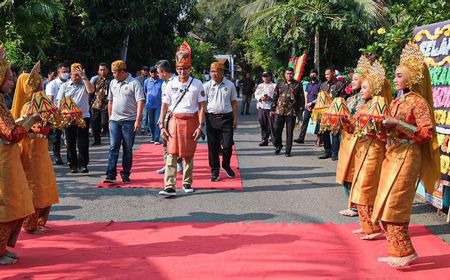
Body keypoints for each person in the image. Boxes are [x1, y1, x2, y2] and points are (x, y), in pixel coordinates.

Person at [372, 42, 440, 267]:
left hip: (409, 156)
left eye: (399, 75)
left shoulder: (418, 102)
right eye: (395, 75)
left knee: (396, 203)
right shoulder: (397, 100)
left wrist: (397, 123)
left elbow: (427, 133)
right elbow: (392, 127)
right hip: (393, 154)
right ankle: (398, 251)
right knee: (384, 203)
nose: (395, 79)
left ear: (411, 79)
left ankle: (404, 253)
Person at [342, 60, 392, 240]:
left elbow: (382, 130)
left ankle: (373, 227)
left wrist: (372, 125)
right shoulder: (364, 106)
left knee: (366, 188)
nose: (361, 90)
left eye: (365, 87)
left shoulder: (380, 104)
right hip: (362, 149)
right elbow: (354, 128)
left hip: (374, 150)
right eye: (361, 87)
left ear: (374, 89)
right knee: (358, 188)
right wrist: (345, 120)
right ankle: (366, 226)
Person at [0, 46, 39, 265]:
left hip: (8, 159)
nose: (12, 83)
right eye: (8, 79)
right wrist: (33, 119)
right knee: (6, 205)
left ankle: (2, 248)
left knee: (15, 203)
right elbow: (11, 134)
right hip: (3, 162)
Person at [11, 62, 60, 235]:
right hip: (31, 151)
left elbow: (47, 126)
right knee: (35, 186)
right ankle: (30, 224)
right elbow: (27, 127)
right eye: (37, 83)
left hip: (40, 149)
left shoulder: (41, 103)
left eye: (41, 83)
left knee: (45, 183)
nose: (41, 85)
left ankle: (39, 220)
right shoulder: (27, 107)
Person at [158, 41, 206, 197]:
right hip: (174, 120)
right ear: (176, 69)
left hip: (191, 120)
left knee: (188, 154)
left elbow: (201, 106)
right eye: (179, 69)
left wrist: (200, 126)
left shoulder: (197, 84)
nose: (182, 71)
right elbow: (165, 105)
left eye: (185, 69)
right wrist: (161, 124)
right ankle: (169, 185)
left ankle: (187, 182)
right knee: (171, 152)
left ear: (190, 69)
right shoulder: (169, 83)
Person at [336, 57, 369, 218]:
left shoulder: (369, 102)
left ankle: (357, 207)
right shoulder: (351, 98)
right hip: (347, 140)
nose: (353, 82)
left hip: (360, 143)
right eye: (353, 79)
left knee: (356, 175)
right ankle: (353, 204)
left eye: (357, 79)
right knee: (345, 175)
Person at [103, 60, 145, 184]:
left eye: (115, 72)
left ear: (122, 72)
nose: (113, 75)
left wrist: (138, 120)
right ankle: (110, 173)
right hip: (115, 121)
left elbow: (140, 101)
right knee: (113, 147)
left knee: (127, 148)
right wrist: (110, 118)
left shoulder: (134, 83)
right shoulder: (113, 83)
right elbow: (110, 101)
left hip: (129, 121)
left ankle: (125, 173)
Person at [56, 63, 94, 173]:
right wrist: (61, 116)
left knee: (82, 142)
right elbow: (60, 101)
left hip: (83, 116)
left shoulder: (85, 83)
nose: (77, 77)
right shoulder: (65, 86)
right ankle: (73, 164)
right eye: (74, 75)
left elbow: (91, 91)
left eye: (78, 75)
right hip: (69, 117)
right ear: (70, 75)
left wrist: (84, 77)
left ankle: (83, 164)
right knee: (70, 141)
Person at [203, 62, 238, 181]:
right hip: (211, 118)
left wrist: (235, 119)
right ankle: (215, 170)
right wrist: (201, 120)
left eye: (216, 71)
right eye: (212, 71)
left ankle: (226, 165)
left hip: (227, 118)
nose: (213, 73)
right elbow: (203, 104)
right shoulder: (206, 86)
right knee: (213, 146)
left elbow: (234, 102)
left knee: (228, 145)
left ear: (222, 72)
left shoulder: (230, 85)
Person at [154, 60, 183, 175]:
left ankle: (179, 164)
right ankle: (167, 164)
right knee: (165, 140)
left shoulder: (177, 81)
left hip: (176, 115)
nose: (157, 75)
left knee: (176, 141)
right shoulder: (164, 83)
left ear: (164, 71)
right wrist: (161, 117)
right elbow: (164, 102)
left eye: (158, 72)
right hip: (166, 115)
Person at [270, 67, 304, 157]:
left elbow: (301, 98)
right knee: (276, 128)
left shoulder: (298, 84)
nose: (289, 75)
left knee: (289, 132)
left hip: (291, 112)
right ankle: (278, 145)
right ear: (285, 75)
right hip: (279, 110)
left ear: (293, 74)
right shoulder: (280, 84)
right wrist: (272, 109)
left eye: (291, 73)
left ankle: (288, 151)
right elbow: (275, 96)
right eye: (287, 73)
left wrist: (300, 111)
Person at [46, 62, 70, 165]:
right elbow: (50, 100)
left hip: (69, 112)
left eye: (68, 72)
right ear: (58, 72)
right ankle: (57, 156)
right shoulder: (52, 84)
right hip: (57, 113)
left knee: (70, 137)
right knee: (56, 136)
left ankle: (71, 157)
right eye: (64, 72)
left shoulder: (70, 82)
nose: (66, 74)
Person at [318, 67, 345, 160]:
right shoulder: (323, 85)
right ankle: (327, 152)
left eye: (328, 74)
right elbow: (320, 99)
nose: (327, 76)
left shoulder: (340, 84)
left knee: (335, 133)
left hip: (335, 113)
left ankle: (334, 154)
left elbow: (343, 98)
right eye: (325, 75)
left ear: (333, 73)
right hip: (324, 113)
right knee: (324, 133)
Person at [295, 69, 321, 145]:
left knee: (318, 123)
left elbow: (320, 96)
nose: (312, 76)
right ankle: (301, 138)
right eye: (311, 75)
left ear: (317, 75)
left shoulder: (320, 84)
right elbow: (306, 94)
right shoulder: (308, 84)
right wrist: (306, 104)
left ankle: (319, 140)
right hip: (308, 106)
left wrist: (312, 103)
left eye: (314, 75)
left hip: (317, 106)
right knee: (305, 122)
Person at [90, 63, 111, 146]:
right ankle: (96, 140)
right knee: (95, 123)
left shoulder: (111, 80)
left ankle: (107, 133)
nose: (103, 71)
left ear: (107, 70)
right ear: (98, 71)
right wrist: (90, 102)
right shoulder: (95, 80)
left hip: (107, 104)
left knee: (105, 122)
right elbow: (91, 92)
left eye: (104, 69)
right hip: (96, 104)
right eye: (101, 70)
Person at [254, 71, 276, 146]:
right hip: (262, 106)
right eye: (264, 76)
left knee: (271, 124)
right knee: (262, 123)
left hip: (270, 107)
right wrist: (260, 98)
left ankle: (273, 139)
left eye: (267, 76)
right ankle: (264, 139)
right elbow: (256, 94)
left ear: (270, 77)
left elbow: (277, 96)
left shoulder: (274, 85)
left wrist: (270, 98)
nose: (265, 78)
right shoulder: (260, 85)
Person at [143, 66, 163, 144]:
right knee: (150, 122)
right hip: (149, 105)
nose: (153, 73)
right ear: (149, 73)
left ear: (157, 73)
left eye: (155, 72)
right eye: (152, 72)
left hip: (159, 105)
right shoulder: (146, 81)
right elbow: (145, 91)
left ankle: (157, 138)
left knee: (156, 121)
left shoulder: (161, 81)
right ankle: (153, 136)